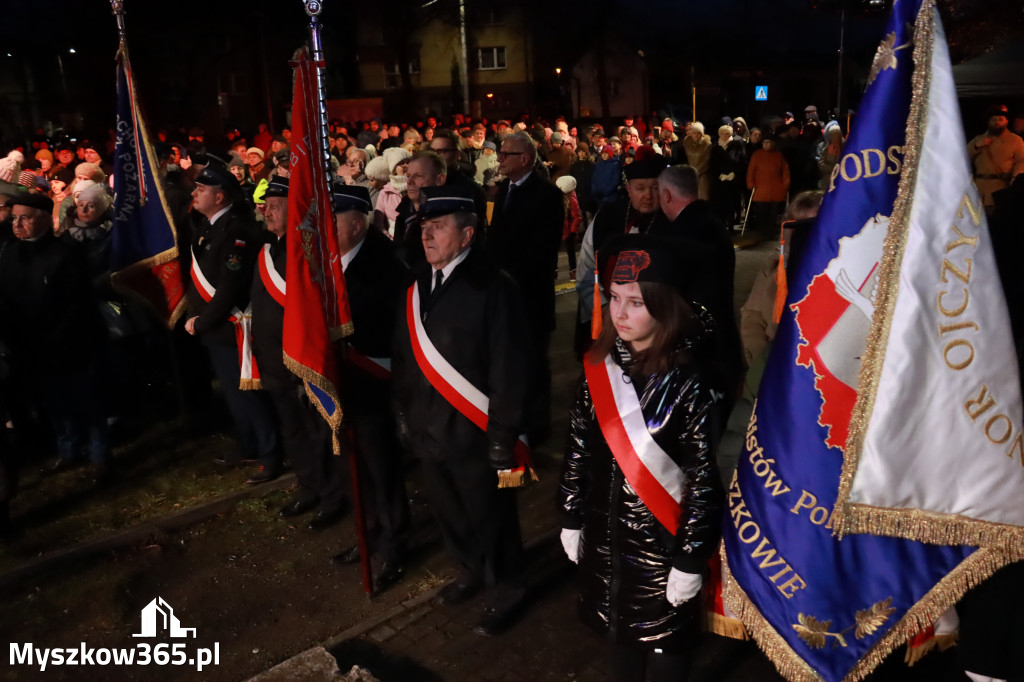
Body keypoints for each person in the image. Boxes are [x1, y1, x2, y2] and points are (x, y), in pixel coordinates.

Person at [559, 235, 723, 682]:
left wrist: (690, 559)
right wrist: (571, 515)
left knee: (667, 656)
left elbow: (705, 480)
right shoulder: (598, 367)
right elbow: (577, 448)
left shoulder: (688, 382)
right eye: (614, 298)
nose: (619, 313)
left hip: (662, 548)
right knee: (620, 647)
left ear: (665, 305)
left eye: (635, 302)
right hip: (607, 542)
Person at [392, 184, 531, 637]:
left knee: (492, 520)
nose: (427, 236)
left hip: (474, 432)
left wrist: (501, 436)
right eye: (424, 227)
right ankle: (469, 572)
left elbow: (511, 368)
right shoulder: (416, 285)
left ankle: (507, 590)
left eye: (438, 227)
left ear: (467, 235)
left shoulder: (494, 287)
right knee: (451, 514)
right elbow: (404, 358)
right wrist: (405, 415)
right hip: (428, 429)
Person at [249, 177, 348, 530]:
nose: (267, 210)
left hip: (300, 363)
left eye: (276, 205)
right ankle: (309, 487)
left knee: (318, 433)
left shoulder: (304, 250)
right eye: (266, 205)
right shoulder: (267, 250)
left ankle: (333, 494)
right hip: (274, 361)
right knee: (293, 432)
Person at [328, 184, 410, 592]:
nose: (326, 229)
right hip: (341, 387)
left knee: (382, 470)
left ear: (358, 224)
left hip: (375, 386)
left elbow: (395, 330)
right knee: (353, 468)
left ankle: (394, 546)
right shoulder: (331, 262)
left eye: (334, 221)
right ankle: (368, 534)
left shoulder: (387, 264)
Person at [0, 193, 111, 482]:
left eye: (25, 218)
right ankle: (68, 449)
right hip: (31, 346)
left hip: (70, 344)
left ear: (45, 220)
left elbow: (77, 303)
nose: (18, 224)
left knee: (86, 401)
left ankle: (100, 456)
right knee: (54, 404)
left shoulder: (65, 253)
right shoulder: (10, 254)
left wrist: (57, 336)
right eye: (15, 218)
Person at [184, 162, 281, 483]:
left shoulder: (237, 231)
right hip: (216, 326)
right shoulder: (209, 226)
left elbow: (230, 286)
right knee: (233, 392)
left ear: (221, 196)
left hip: (232, 325)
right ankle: (249, 443)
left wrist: (203, 322)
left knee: (249, 393)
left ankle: (270, 453)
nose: (195, 193)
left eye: (202, 189)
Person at [487, 131, 565, 445]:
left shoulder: (545, 194)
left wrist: (508, 278)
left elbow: (541, 249)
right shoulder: (501, 190)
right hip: (501, 293)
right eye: (500, 153)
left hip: (529, 294)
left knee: (533, 363)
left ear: (526, 158)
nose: (500, 159)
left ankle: (537, 428)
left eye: (507, 154)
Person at [658, 164, 744, 424]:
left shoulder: (681, 233)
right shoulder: (711, 222)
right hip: (723, 338)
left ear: (667, 196)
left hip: (699, 350)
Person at [967, 104, 1024, 214]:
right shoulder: (978, 139)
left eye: (1000, 119)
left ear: (1006, 121)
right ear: (988, 122)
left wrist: (1015, 178)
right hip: (979, 189)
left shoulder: (1016, 141)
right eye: (993, 119)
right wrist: (976, 147)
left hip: (1002, 188)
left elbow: (1021, 161)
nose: (997, 122)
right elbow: (963, 159)